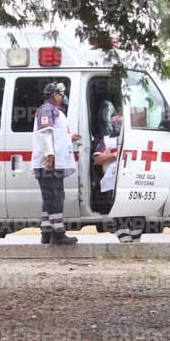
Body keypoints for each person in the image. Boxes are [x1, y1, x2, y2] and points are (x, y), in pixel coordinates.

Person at [31, 82, 81, 245]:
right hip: (49, 163)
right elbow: (45, 133)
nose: (63, 97)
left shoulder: (54, 111)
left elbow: (55, 134)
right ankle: (58, 234)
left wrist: (69, 138)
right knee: (55, 197)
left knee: (50, 198)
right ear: (55, 95)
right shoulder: (47, 109)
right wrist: (50, 156)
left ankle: (46, 233)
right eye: (61, 94)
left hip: (53, 162)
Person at [93, 100, 145, 243]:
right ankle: (125, 243)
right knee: (118, 213)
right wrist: (115, 156)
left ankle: (135, 242)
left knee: (138, 211)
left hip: (133, 181)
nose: (118, 124)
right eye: (116, 121)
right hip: (111, 182)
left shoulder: (136, 139)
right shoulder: (106, 140)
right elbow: (97, 159)